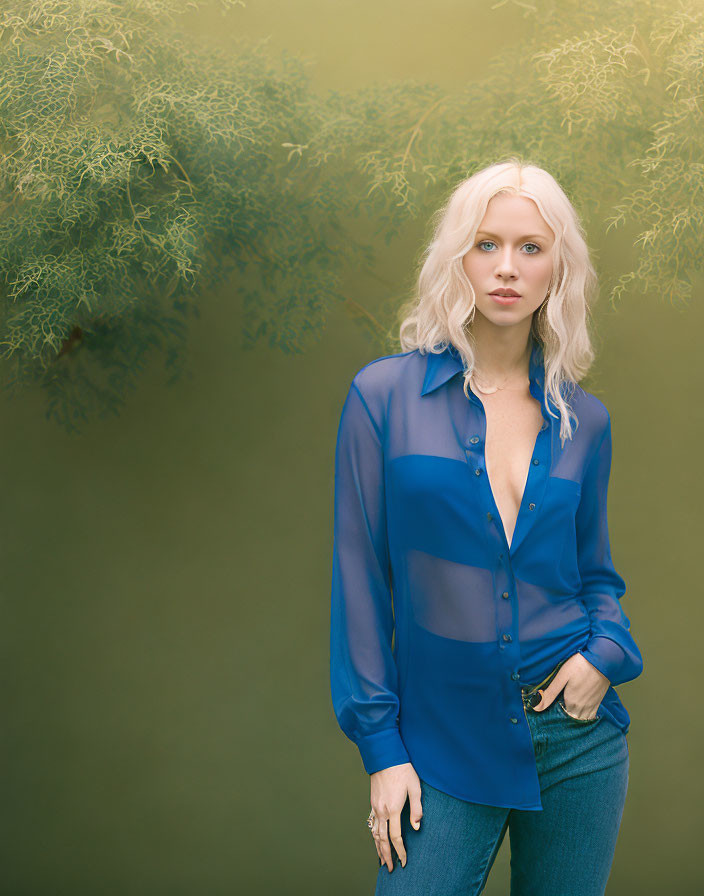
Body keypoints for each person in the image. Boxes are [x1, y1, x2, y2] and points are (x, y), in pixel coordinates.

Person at [328, 158, 644, 895]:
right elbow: (361, 582)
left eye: (530, 248)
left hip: (577, 739)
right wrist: (382, 749)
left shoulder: (584, 421)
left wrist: (605, 652)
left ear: (556, 269)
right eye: (486, 245)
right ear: (457, 260)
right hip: (437, 745)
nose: (507, 268)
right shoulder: (382, 398)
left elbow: (594, 573)